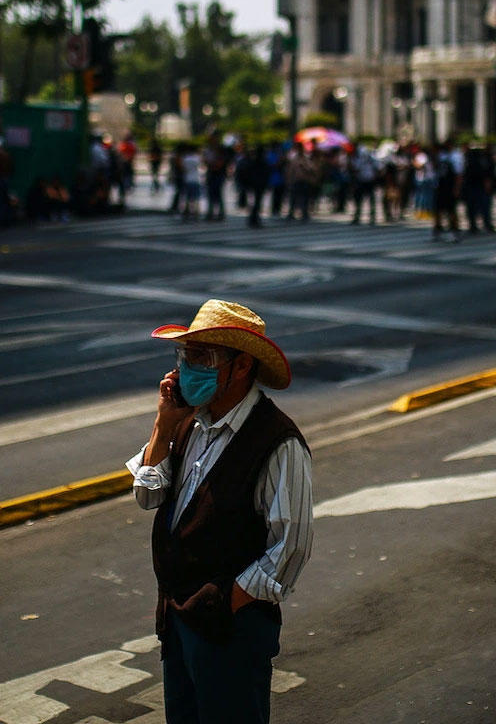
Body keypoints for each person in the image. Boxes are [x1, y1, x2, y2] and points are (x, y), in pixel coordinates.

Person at [128, 300, 312, 724]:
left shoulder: (277, 441)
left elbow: (291, 548)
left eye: (201, 357)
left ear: (241, 366)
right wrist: (162, 425)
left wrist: (225, 601)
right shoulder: (188, 422)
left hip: (231, 629)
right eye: (184, 356)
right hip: (179, 620)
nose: (186, 369)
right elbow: (147, 495)